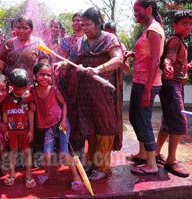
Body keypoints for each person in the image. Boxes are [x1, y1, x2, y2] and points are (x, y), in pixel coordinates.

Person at [55, 7, 124, 180]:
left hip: (103, 92)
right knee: (90, 127)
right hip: (85, 92)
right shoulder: (81, 42)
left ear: (98, 23)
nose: (84, 28)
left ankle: (102, 166)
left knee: (104, 127)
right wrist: (62, 65)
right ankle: (93, 162)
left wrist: (99, 69)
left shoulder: (109, 39)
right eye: (82, 24)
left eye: (88, 24)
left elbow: (118, 59)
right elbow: (72, 61)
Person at [124, 0, 165, 175]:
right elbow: (148, 53)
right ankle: (142, 154)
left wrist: (148, 89)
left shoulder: (154, 30)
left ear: (148, 9)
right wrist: (135, 54)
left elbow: (156, 60)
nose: (135, 14)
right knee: (134, 118)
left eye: (137, 10)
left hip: (147, 83)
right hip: (139, 81)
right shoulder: (148, 29)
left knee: (143, 121)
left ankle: (152, 164)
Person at [156, 10, 192, 178]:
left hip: (175, 85)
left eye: (190, 24)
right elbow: (169, 56)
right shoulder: (174, 40)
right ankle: (171, 160)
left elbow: (175, 59)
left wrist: (186, 67)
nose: (188, 27)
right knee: (179, 121)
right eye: (184, 23)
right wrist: (167, 64)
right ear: (175, 25)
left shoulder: (180, 41)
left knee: (168, 121)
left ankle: (156, 153)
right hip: (172, 86)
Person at [31, 62, 83, 191]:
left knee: (64, 153)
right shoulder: (32, 91)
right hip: (49, 128)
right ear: (34, 76)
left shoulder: (54, 90)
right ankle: (47, 173)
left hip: (61, 125)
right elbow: (23, 98)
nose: (45, 78)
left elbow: (64, 104)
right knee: (47, 154)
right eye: (42, 74)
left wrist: (64, 120)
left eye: (48, 75)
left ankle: (76, 177)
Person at [56, 11, 85, 160]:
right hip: (67, 83)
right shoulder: (66, 40)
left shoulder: (89, 40)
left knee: (81, 116)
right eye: (74, 20)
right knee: (67, 113)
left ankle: (79, 147)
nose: (76, 23)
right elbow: (60, 57)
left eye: (79, 20)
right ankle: (65, 146)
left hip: (83, 84)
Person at [2, 68, 36, 188]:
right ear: (11, 86)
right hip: (12, 132)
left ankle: (28, 175)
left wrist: (31, 130)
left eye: (23, 88)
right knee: (13, 152)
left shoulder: (29, 96)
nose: (21, 91)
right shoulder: (7, 98)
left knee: (27, 153)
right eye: (17, 89)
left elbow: (31, 113)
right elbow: (5, 113)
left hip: (25, 131)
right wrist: (5, 129)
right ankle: (12, 175)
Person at [0, 15, 49, 83]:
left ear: (31, 30)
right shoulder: (9, 44)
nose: (21, 31)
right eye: (18, 27)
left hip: (30, 88)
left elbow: (44, 69)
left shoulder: (39, 44)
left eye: (25, 28)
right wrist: (0, 82)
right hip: (10, 87)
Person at [103, 20, 130, 151]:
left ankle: (115, 144)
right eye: (106, 33)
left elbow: (126, 69)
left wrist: (122, 59)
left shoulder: (120, 46)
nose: (109, 37)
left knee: (114, 115)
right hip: (101, 85)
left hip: (115, 86)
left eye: (111, 33)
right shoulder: (99, 44)